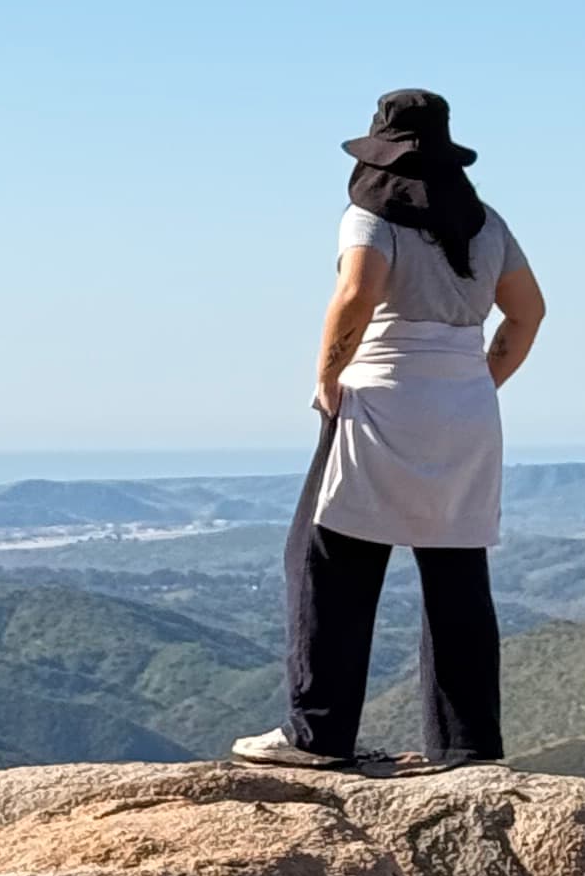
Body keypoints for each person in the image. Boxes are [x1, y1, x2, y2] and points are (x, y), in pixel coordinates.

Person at [233, 86, 544, 773]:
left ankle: (318, 736)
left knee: (326, 560)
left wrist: (326, 374)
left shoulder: (369, 216)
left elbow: (357, 293)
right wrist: (478, 379)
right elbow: (528, 314)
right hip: (466, 412)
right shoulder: (487, 224)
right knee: (456, 572)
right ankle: (466, 748)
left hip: (379, 398)